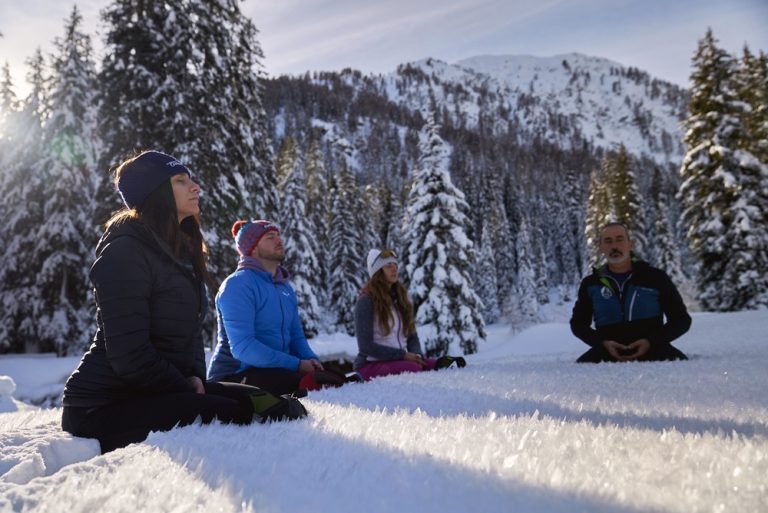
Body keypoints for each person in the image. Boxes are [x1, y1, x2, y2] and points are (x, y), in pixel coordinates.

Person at [62, 151, 303, 454]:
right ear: (156, 192)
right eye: (181, 180)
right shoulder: (125, 252)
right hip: (104, 404)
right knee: (241, 416)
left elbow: (186, 337)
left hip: (159, 389)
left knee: (274, 406)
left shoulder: (180, 253)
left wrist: (193, 380)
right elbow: (129, 353)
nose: (195, 187)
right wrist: (185, 386)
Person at [207, 220, 345, 395]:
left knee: (331, 378)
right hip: (232, 376)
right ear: (253, 248)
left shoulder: (284, 288)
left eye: (278, 236)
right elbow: (244, 347)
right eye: (270, 237)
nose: (279, 240)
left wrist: (311, 360)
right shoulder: (238, 285)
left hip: (275, 370)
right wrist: (296, 364)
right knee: (297, 384)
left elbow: (296, 337)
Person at [570, 222, 691, 363]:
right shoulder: (591, 284)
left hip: (655, 349)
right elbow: (578, 324)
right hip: (606, 352)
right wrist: (602, 343)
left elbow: (681, 320)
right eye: (608, 241)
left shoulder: (655, 278)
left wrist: (651, 341)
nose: (614, 246)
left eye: (619, 239)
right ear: (601, 248)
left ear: (630, 244)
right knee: (581, 374)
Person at [353, 248, 466, 380]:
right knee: (414, 369)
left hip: (398, 361)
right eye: (388, 266)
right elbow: (366, 347)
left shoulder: (399, 299)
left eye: (395, 265)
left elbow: (411, 335)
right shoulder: (366, 301)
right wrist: (404, 356)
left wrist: (417, 356)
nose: (394, 268)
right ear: (377, 272)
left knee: (441, 365)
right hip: (370, 364)